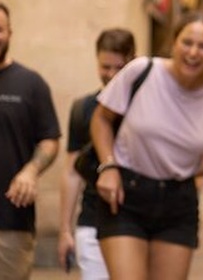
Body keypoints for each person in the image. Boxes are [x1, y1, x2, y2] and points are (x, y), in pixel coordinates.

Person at [90, 10, 203, 280]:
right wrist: (108, 166)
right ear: (173, 43)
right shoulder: (141, 71)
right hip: (126, 195)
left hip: (178, 201)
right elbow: (101, 119)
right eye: (187, 42)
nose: (193, 52)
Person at [0, 0, 61, 279]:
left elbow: (49, 139)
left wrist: (31, 170)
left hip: (9, 222)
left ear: (9, 33)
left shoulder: (30, 84)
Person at [58, 28, 136, 278]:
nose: (111, 75)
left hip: (138, 220)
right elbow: (72, 172)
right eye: (105, 67)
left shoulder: (145, 105)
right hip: (93, 221)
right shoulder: (83, 108)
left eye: (119, 68)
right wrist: (65, 230)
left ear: (132, 62)